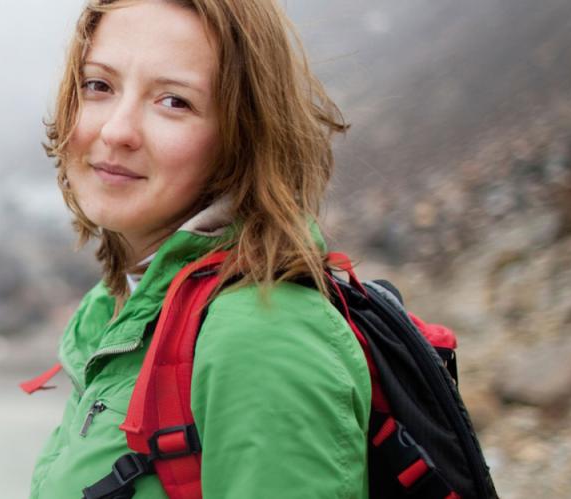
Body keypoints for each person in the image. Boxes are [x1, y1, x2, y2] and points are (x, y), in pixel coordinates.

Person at [27, 0, 369, 497]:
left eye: (174, 101)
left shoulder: (261, 335)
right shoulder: (115, 310)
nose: (116, 130)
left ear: (240, 137)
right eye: (98, 85)